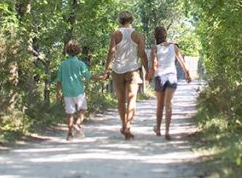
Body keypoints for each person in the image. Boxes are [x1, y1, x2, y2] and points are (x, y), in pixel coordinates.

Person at [99, 11, 148, 140]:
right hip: (132, 69)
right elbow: (142, 54)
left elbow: (111, 52)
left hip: (118, 70)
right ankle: (127, 126)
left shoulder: (116, 34)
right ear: (131, 20)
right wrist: (148, 70)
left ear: (119, 21)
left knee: (121, 100)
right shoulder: (138, 35)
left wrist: (106, 70)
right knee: (132, 99)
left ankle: (123, 124)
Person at [146, 26, 191, 140]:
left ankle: (158, 129)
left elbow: (154, 66)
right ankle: (167, 131)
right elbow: (182, 62)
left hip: (160, 77)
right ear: (166, 35)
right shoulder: (174, 47)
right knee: (169, 104)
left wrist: (148, 78)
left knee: (160, 105)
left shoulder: (155, 49)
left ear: (155, 36)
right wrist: (187, 74)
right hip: (171, 76)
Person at [56, 40, 91, 140]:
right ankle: (77, 124)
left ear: (67, 51)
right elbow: (88, 76)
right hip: (79, 91)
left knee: (70, 113)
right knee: (83, 109)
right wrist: (100, 76)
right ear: (78, 51)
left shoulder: (63, 64)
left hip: (67, 92)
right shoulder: (80, 64)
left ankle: (70, 134)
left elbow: (59, 80)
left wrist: (58, 92)